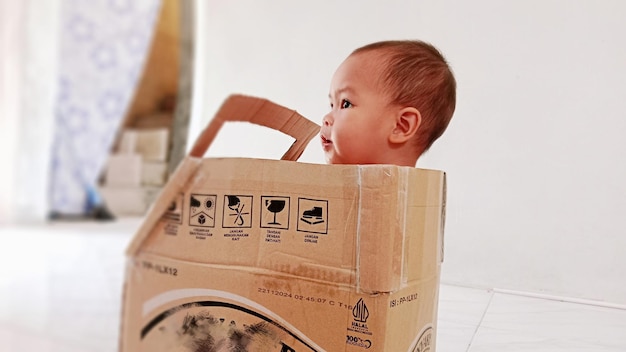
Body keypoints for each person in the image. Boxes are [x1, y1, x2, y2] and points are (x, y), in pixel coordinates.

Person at [320, 40, 456, 166]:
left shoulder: (419, 191)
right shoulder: (324, 186)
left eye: (346, 104)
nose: (326, 118)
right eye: (332, 105)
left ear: (400, 126)